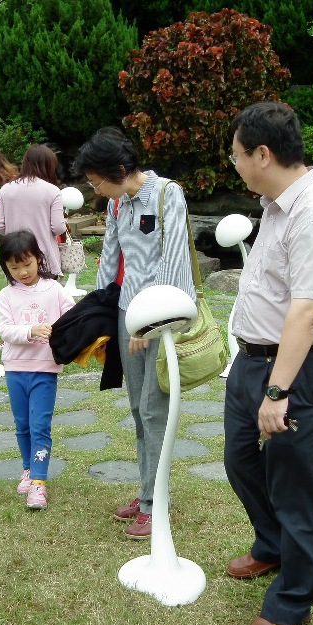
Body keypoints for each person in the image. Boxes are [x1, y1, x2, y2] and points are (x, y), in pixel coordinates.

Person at [223, 101, 313, 625]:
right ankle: (272, 544)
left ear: (262, 153)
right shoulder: (277, 207)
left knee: (299, 485)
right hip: (252, 360)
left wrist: (277, 390)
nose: (234, 164)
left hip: (302, 370)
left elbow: (307, 310)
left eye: (236, 155)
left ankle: (292, 600)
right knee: (242, 460)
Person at [72, 127, 195, 539]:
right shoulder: (116, 204)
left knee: (154, 409)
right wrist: (100, 313)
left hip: (161, 316)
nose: (95, 190)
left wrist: (150, 320)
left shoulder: (167, 195)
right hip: (128, 314)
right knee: (139, 410)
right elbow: (110, 259)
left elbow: (173, 262)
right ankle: (147, 491)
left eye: (97, 181)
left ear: (120, 169)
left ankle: (154, 504)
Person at [0, 229, 75, 509]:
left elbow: (72, 317)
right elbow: (5, 330)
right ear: (6, 267)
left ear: (39, 258)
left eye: (27, 264)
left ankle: (39, 482)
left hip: (45, 370)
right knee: (22, 425)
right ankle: (28, 470)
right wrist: (31, 330)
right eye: (14, 267)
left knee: (40, 425)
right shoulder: (6, 295)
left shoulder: (54, 290)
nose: (22, 272)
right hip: (15, 369)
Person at [0, 144, 66, 277]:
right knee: (47, 289)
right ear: (49, 166)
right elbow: (58, 227)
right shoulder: (52, 191)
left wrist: (14, 233)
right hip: (44, 257)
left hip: (15, 255)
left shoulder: (6, 189)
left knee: (19, 289)